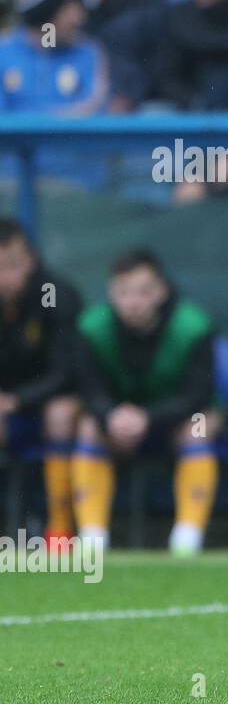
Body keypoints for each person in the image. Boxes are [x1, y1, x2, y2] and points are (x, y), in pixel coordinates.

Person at [72, 250, 221, 555]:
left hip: (176, 420)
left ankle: (186, 541)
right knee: (87, 426)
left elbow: (199, 394)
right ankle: (92, 541)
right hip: (117, 425)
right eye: (124, 292)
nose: (133, 302)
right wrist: (110, 415)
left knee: (199, 426)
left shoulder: (192, 326)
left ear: (161, 291)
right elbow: (87, 387)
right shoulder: (91, 327)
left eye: (143, 291)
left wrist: (149, 417)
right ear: (111, 292)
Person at [0, 219, 83, 547]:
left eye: (11, 266)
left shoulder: (56, 296)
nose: (4, 277)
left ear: (31, 260)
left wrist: (18, 399)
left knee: (60, 414)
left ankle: (58, 531)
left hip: (53, 401)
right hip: (8, 409)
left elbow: (68, 372)